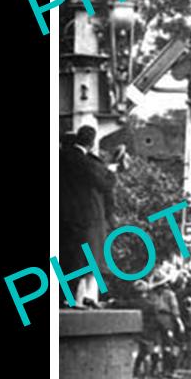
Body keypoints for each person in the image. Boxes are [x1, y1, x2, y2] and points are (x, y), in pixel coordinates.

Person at [59, 125, 118, 308]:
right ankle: (74, 299)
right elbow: (104, 185)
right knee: (80, 259)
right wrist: (113, 170)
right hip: (82, 216)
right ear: (92, 142)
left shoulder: (61, 158)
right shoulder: (84, 162)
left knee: (67, 258)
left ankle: (69, 297)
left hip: (62, 214)